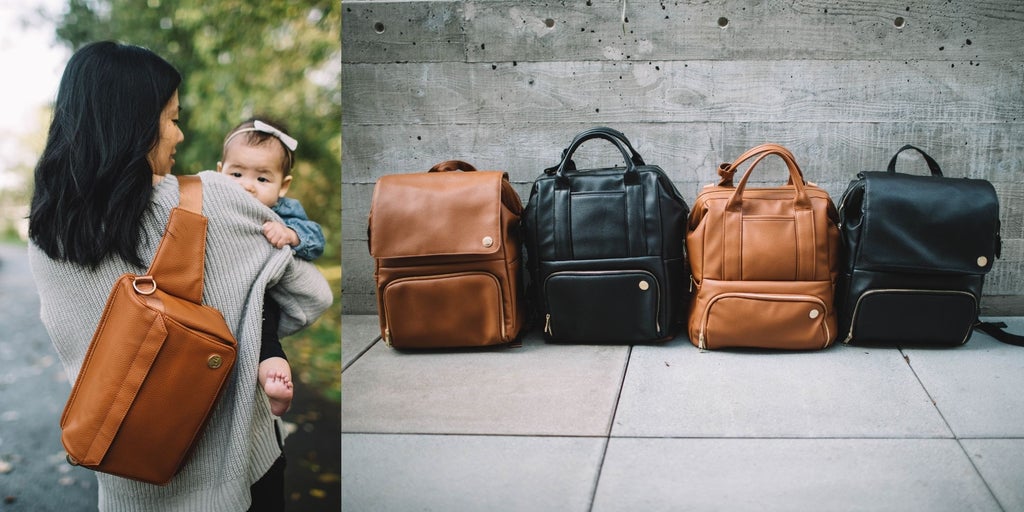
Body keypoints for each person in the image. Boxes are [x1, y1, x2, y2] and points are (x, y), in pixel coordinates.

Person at [27, 41, 332, 511]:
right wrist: (253, 331)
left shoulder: (46, 233)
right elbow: (312, 295)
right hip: (239, 471)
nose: (180, 135)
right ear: (134, 125)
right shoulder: (215, 200)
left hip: (129, 471)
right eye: (172, 119)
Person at [217, 117, 326, 416]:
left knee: (263, 324)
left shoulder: (283, 211)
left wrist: (291, 235)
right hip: (220, 291)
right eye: (236, 173)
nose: (248, 186)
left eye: (263, 179)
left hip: (262, 293)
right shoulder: (212, 201)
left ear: (283, 185)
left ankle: (274, 372)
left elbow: (316, 239)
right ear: (219, 172)